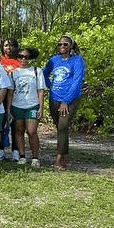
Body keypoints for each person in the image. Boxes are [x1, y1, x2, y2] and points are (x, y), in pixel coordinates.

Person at [43, 35, 85, 171]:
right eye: (60, 44)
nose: (62, 46)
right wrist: (50, 85)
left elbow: (77, 82)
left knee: (63, 126)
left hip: (70, 99)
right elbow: (44, 74)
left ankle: (59, 159)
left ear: (71, 45)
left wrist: (66, 101)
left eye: (65, 44)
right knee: (61, 128)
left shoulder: (77, 61)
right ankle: (66, 156)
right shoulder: (54, 60)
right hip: (54, 98)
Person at [8, 48, 46, 167]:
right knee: (18, 131)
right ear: (17, 57)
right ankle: (22, 155)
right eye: (20, 56)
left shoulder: (36, 71)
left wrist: (41, 107)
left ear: (30, 58)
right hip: (17, 105)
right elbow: (10, 92)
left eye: (26, 57)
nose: (23, 59)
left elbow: (41, 91)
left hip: (32, 105)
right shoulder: (13, 73)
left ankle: (35, 157)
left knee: (32, 132)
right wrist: (8, 109)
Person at [0, 37, 21, 160]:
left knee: (16, 126)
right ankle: (0, 150)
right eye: (6, 45)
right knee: (0, 125)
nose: (9, 48)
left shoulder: (20, 61)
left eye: (11, 45)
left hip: (17, 97)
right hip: (0, 97)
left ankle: (15, 151)